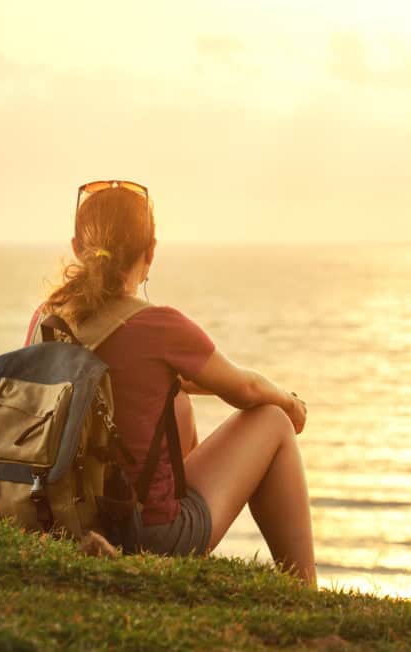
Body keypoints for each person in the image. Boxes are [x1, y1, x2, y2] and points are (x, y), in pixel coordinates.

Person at [24, 180, 316, 585]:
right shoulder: (158, 325)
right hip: (143, 535)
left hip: (57, 518)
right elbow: (245, 390)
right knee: (272, 421)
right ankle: (305, 589)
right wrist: (289, 401)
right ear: (151, 251)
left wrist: (182, 382)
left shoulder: (48, 319)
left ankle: (172, 515)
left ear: (77, 247)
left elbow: (149, 378)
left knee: (176, 401)